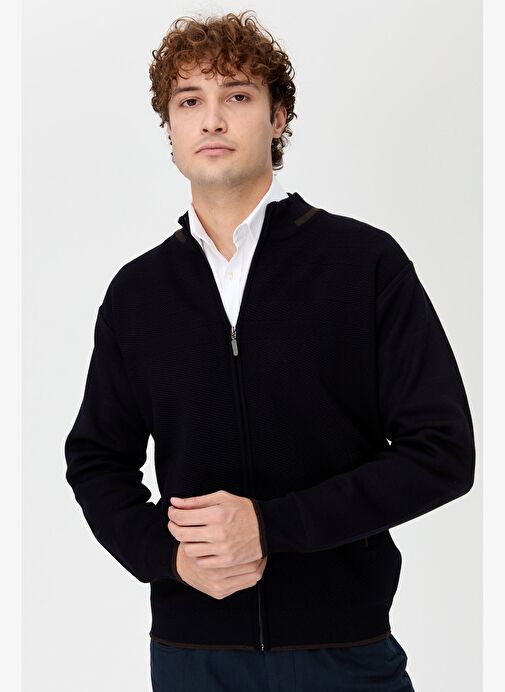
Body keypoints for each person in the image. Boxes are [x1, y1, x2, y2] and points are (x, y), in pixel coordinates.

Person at [64, 10, 475, 691]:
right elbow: (96, 460)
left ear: (278, 116)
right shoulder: (137, 294)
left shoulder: (364, 264)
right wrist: (169, 558)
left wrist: (271, 526)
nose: (212, 119)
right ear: (169, 127)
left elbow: (442, 452)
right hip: (192, 657)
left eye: (237, 95)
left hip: (343, 651)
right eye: (189, 101)